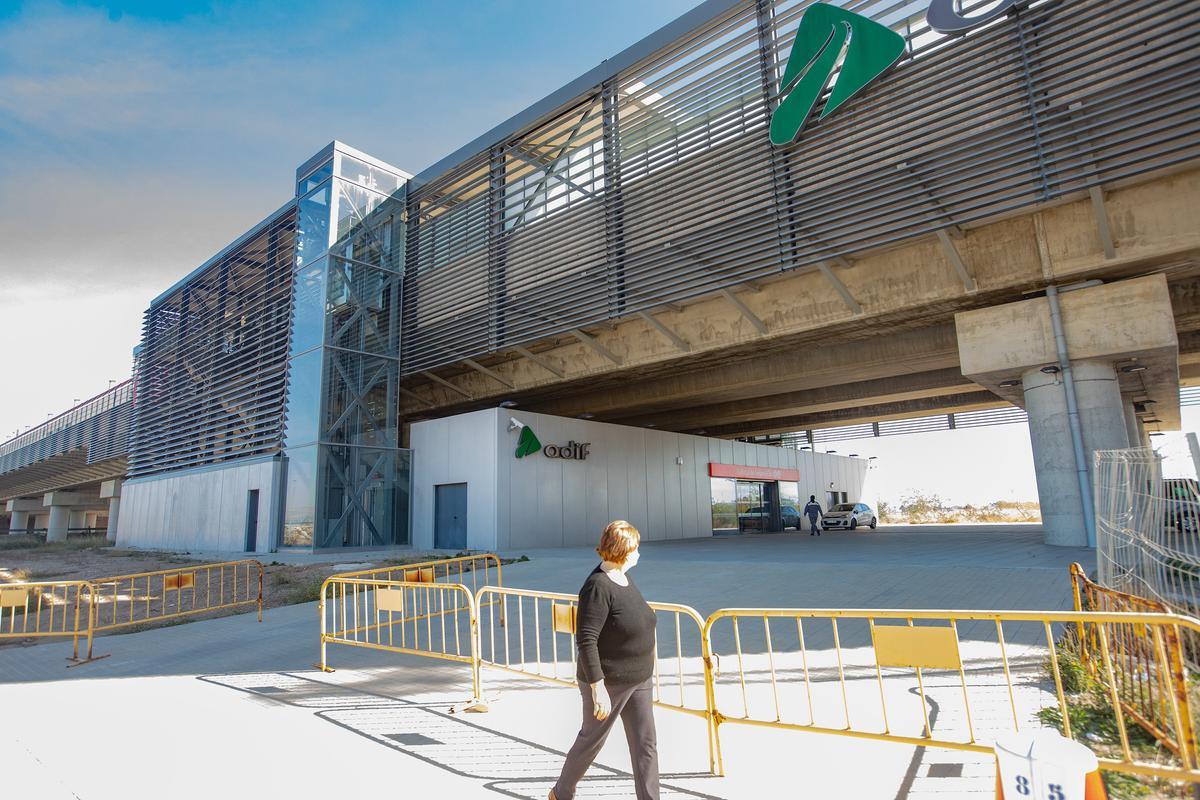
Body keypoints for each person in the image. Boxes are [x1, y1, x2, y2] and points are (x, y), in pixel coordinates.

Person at [550, 520, 659, 800]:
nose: (638, 553)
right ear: (622, 550)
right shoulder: (597, 586)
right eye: (635, 548)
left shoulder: (623, 577)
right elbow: (586, 639)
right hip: (608, 682)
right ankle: (561, 793)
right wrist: (597, 688)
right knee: (591, 742)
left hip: (639, 679)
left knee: (645, 745)